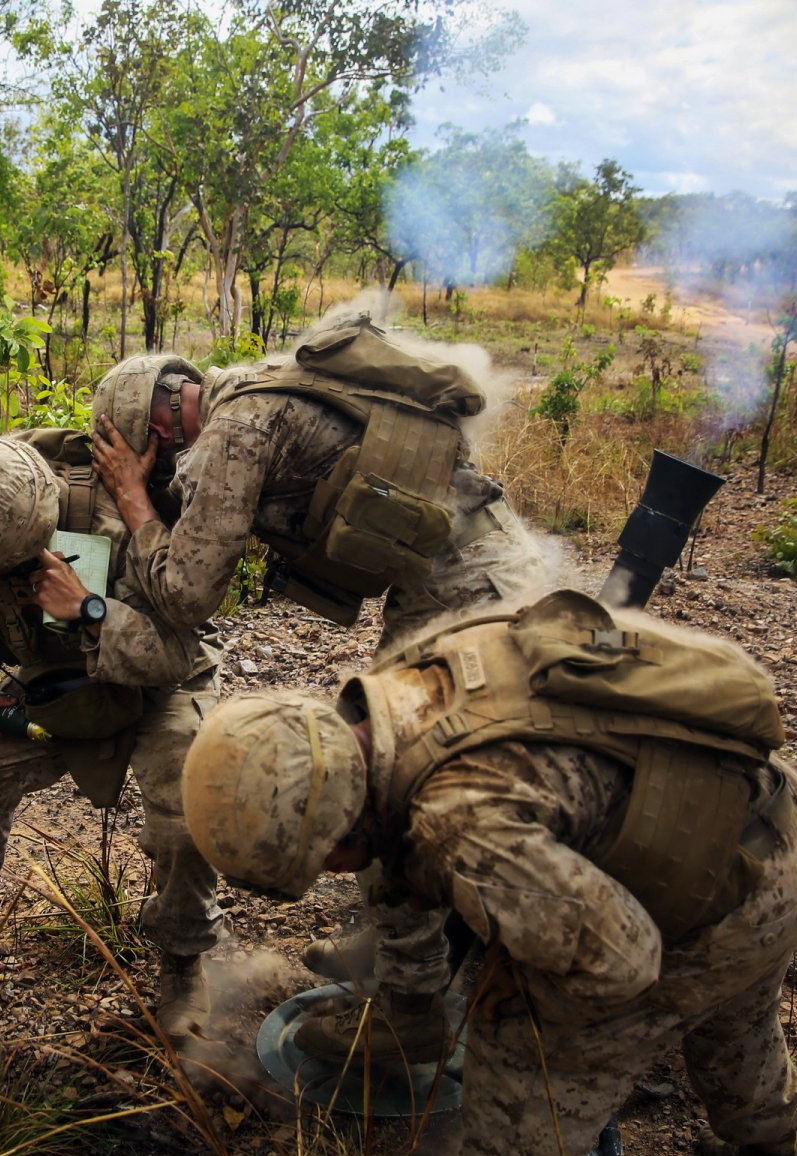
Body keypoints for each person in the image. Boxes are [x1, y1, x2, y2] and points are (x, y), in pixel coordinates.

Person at [179, 589, 797, 1156]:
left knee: (521, 1059)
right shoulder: (389, 702)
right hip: (770, 822)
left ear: (338, 828)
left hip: (716, 905)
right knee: (733, 1029)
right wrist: (409, 1000)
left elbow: (623, 962)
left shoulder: (462, 827)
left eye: (323, 861)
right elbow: (394, 858)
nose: (332, 873)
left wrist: (516, 991)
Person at [89, 314, 552, 1064]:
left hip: (466, 594)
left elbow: (184, 596)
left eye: (137, 449)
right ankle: (395, 949)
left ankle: (411, 1005)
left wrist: (136, 501)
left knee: (380, 778)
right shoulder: (263, 383)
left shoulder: (232, 433)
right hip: (482, 570)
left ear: (156, 429)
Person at [0, 432, 224, 1047]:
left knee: (185, 805)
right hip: (57, 682)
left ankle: (183, 962)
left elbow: (175, 651)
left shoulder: (113, 521)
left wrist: (88, 607)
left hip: (157, 686)